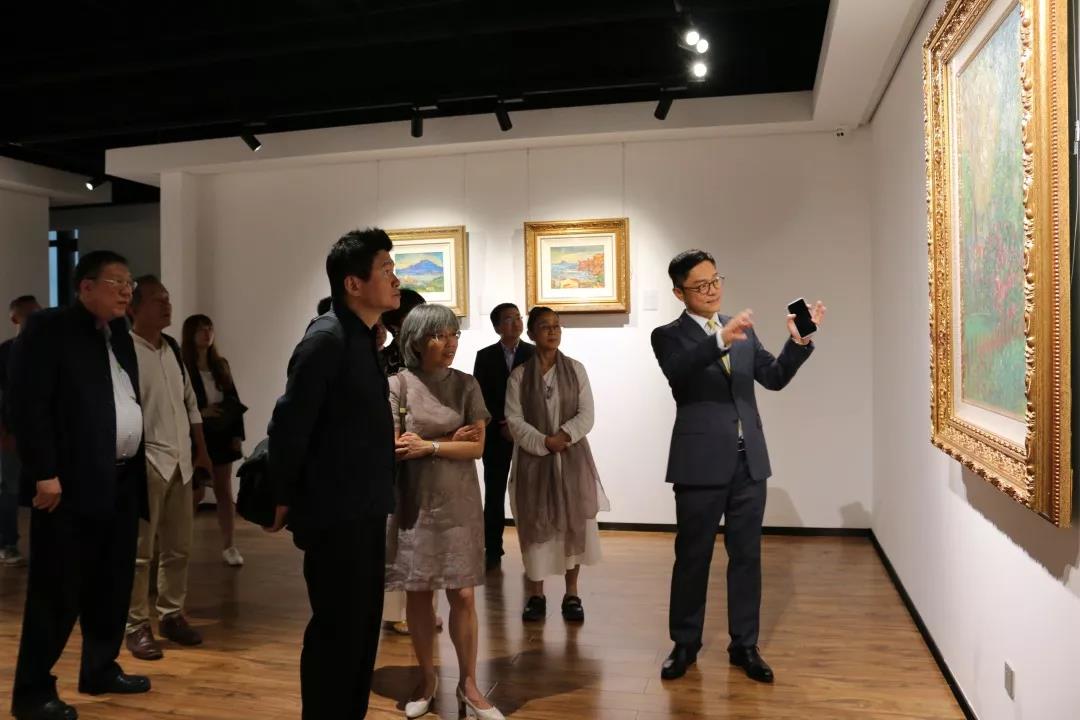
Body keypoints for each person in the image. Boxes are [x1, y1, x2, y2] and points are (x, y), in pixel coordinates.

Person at [650, 249, 826, 684]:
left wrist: (798, 341)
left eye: (715, 280)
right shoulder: (668, 336)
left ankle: (744, 645)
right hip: (699, 463)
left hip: (750, 463)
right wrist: (719, 341)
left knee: (747, 556)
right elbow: (680, 372)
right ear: (679, 293)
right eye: (700, 285)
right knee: (693, 556)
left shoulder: (740, 329)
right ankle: (684, 644)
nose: (712, 290)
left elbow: (774, 377)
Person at [9, 251, 151, 720]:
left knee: (112, 583)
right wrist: (44, 472)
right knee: (57, 590)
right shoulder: (48, 329)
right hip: (68, 485)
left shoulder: (119, 333)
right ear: (85, 287)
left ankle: (100, 668)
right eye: (116, 282)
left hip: (121, 480)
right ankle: (32, 692)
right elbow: (28, 405)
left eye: (129, 283)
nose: (127, 291)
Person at [266, 228, 401, 719]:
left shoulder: (363, 339)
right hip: (334, 513)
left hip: (364, 507)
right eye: (385, 269)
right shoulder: (326, 339)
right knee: (336, 630)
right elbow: (290, 423)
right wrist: (282, 496)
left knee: (362, 628)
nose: (395, 278)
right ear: (353, 283)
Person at [385, 303, 504, 720]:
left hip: (459, 502)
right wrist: (450, 440)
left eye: (454, 334)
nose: (450, 343)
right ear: (417, 341)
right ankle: (426, 678)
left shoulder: (467, 385)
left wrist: (430, 445)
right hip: (414, 501)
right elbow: (396, 447)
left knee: (464, 594)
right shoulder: (398, 385)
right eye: (439, 335)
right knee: (419, 592)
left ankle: (469, 683)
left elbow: (477, 447)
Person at [125, 277, 213, 661]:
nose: (166, 305)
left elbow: (190, 403)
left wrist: (201, 451)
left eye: (168, 299)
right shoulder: (124, 351)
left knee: (179, 548)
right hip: (145, 462)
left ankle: (171, 614)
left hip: (180, 462)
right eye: (157, 300)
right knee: (140, 552)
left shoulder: (173, 348)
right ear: (135, 307)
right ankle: (135, 624)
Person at [505, 306, 607, 623]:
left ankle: (571, 593)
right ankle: (536, 594)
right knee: (535, 524)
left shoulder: (575, 369)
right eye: (545, 326)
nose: (553, 331)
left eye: (557, 326)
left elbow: (587, 414)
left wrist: (562, 436)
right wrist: (543, 442)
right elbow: (514, 419)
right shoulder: (519, 376)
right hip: (533, 462)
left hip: (571, 457)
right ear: (531, 333)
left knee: (573, 523)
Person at [472, 302, 534, 569]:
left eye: (518, 317)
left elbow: (537, 396)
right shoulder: (485, 356)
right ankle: (493, 549)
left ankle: (532, 548)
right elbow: (480, 395)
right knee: (494, 493)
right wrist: (502, 422)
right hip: (496, 433)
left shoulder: (534, 353)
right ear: (497, 327)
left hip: (528, 433)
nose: (516, 322)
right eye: (509, 319)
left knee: (529, 494)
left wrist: (517, 424)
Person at [182, 314, 247, 567]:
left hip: (221, 434)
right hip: (196, 437)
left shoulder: (221, 365)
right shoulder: (184, 367)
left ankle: (229, 546)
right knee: (194, 493)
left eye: (209, 328)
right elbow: (181, 402)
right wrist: (202, 411)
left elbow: (234, 401)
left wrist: (237, 436)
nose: (207, 333)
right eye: (201, 329)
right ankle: (181, 545)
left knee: (224, 491)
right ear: (191, 334)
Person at [0, 294, 41, 567]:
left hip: (43, 434)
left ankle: (45, 545)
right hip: (13, 433)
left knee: (45, 487)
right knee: (11, 489)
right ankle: (7, 543)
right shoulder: (5, 352)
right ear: (15, 318)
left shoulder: (49, 351)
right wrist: (4, 432)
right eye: (29, 314)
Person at [380, 288, 426, 376]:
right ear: (394, 324)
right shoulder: (381, 361)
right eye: (414, 316)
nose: (423, 320)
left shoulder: (430, 353)